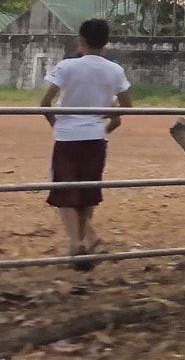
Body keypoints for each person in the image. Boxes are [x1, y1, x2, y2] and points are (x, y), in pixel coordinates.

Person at [39, 17, 132, 264]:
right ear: (105, 43)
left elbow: (45, 103)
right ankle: (88, 238)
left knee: (64, 190)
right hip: (95, 137)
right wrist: (103, 125)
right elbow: (126, 106)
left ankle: (76, 242)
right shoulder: (114, 70)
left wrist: (58, 125)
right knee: (88, 191)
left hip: (67, 137)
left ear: (80, 41)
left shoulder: (67, 66)